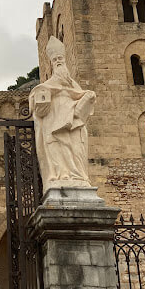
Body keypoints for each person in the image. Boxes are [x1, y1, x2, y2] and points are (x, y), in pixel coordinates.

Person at [29, 36, 96, 190]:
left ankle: (78, 176)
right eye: (55, 60)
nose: (58, 61)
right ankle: (60, 175)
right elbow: (37, 97)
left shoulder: (74, 85)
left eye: (60, 58)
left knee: (76, 149)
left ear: (65, 61)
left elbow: (79, 96)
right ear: (52, 64)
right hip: (53, 121)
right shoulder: (47, 85)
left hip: (72, 123)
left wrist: (88, 96)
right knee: (56, 147)